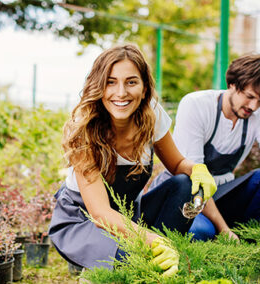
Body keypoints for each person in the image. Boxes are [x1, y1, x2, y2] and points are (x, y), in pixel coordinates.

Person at [48, 44, 217, 276]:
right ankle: (110, 265)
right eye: (110, 82)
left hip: (129, 216)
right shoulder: (85, 129)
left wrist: (198, 169)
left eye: (131, 82)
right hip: (84, 219)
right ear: (98, 86)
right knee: (135, 261)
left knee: (184, 183)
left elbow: (178, 165)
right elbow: (100, 213)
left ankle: (165, 257)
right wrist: (151, 239)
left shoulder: (151, 114)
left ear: (144, 87)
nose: (121, 93)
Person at [150, 54, 260, 241]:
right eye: (249, 96)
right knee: (200, 233)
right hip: (187, 192)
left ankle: (247, 236)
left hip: (222, 194)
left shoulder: (255, 114)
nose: (253, 106)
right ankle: (223, 232)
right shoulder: (196, 105)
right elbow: (195, 180)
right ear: (232, 85)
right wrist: (224, 229)